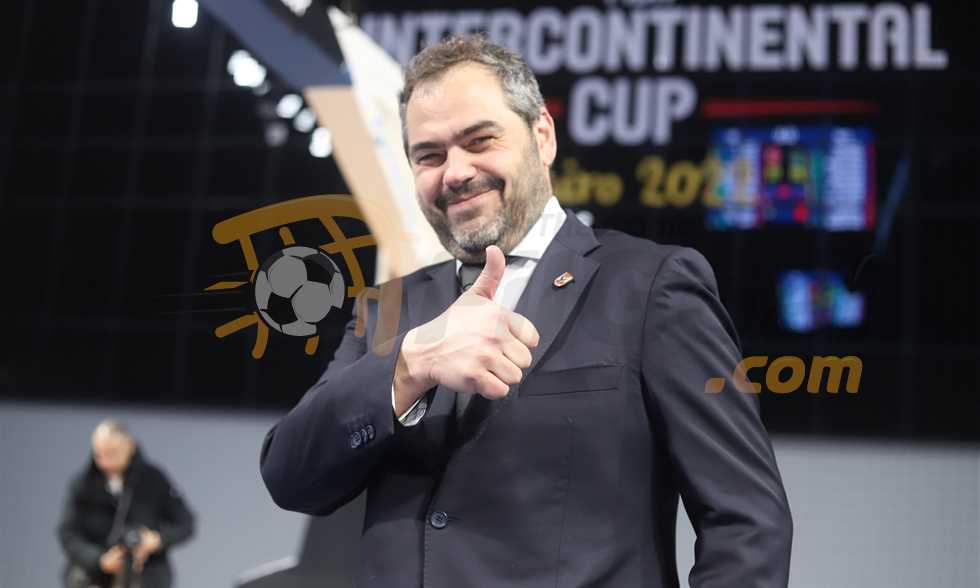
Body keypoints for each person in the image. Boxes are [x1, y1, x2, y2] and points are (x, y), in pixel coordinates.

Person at [260, 34, 792, 587]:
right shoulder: (389, 308)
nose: (455, 172)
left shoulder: (650, 286)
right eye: (430, 155)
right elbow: (290, 476)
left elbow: (748, 524)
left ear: (542, 136)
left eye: (479, 140)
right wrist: (410, 364)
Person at [58, 419, 194, 588]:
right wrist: (99, 560)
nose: (106, 462)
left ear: (129, 446)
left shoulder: (153, 479)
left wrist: (157, 539)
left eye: (113, 453)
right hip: (94, 575)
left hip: (147, 573)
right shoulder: (83, 484)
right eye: (99, 455)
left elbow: (185, 523)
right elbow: (68, 533)